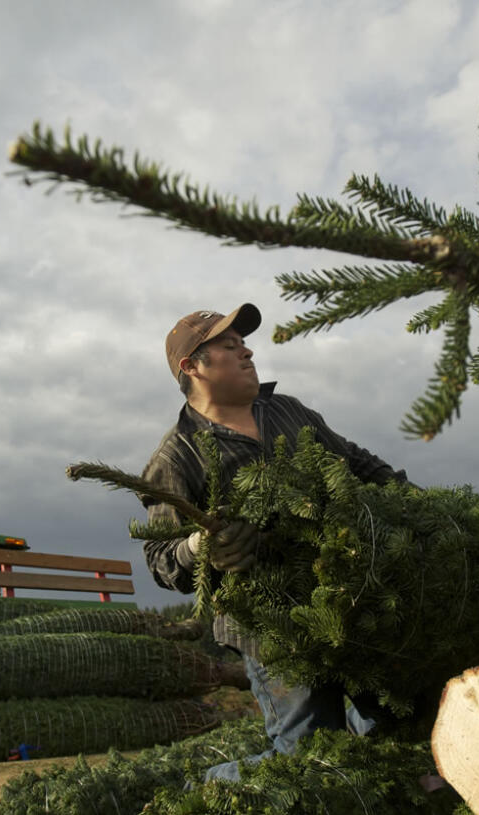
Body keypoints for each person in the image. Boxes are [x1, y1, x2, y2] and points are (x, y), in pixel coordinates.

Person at [140, 303, 408, 782]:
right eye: (228, 344)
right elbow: (162, 559)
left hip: (347, 599)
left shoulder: (285, 410)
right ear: (192, 366)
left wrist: (417, 503)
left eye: (243, 342)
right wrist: (203, 548)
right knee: (306, 758)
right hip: (270, 628)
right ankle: (205, 787)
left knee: (392, 726)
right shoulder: (176, 456)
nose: (245, 350)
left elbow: (356, 463)